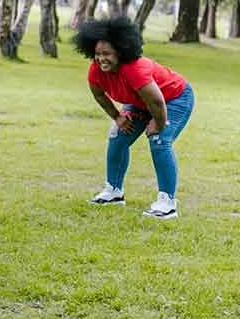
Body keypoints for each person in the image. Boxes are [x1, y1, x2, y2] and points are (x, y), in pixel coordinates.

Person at [73, 16, 195, 219]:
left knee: (159, 140)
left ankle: (167, 202)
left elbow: (156, 102)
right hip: (141, 102)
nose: (101, 59)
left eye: (107, 54)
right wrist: (117, 117)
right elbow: (99, 95)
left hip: (174, 98)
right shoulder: (96, 71)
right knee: (117, 135)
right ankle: (113, 192)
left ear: (120, 52)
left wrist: (159, 122)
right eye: (97, 54)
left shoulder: (134, 69)